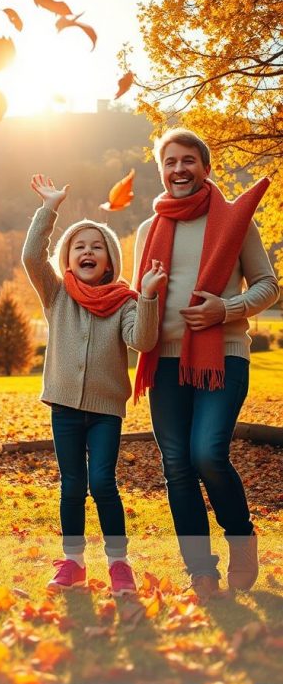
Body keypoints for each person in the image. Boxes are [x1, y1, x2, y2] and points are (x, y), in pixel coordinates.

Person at [133, 128, 279, 599]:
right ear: (162, 170)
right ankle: (201, 571)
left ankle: (241, 537)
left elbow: (267, 285)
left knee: (207, 453)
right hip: (166, 364)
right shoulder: (146, 230)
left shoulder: (236, 221)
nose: (179, 169)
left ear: (205, 167)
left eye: (189, 160)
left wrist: (226, 309)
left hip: (224, 356)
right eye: (170, 161)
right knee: (177, 465)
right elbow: (142, 299)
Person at [22, 174, 166, 596]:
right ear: (68, 258)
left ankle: (119, 564)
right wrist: (49, 209)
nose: (87, 251)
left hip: (105, 410)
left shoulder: (125, 301)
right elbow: (33, 256)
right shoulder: (56, 294)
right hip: (64, 406)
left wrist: (150, 297)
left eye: (96, 246)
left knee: (102, 482)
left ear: (109, 261)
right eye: (79, 246)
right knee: (72, 485)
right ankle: (72, 562)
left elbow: (142, 340)